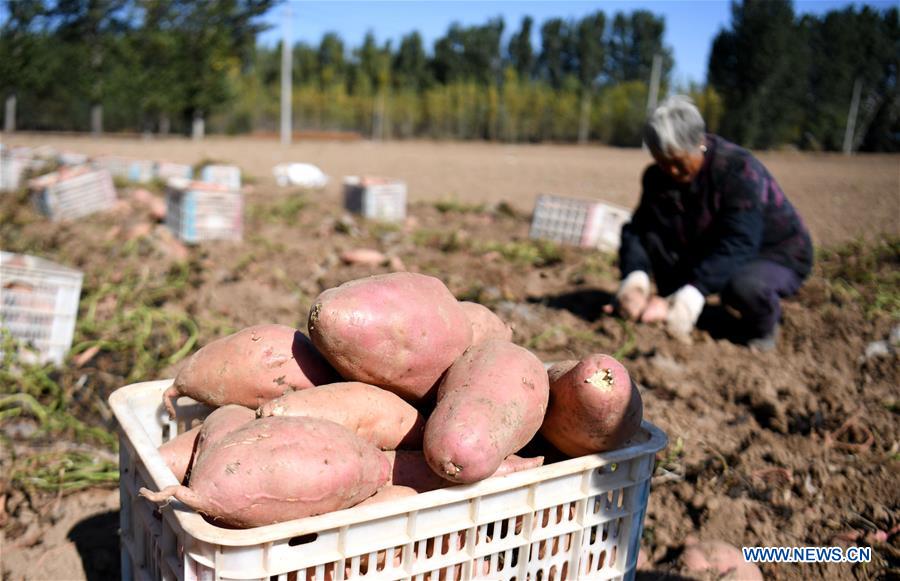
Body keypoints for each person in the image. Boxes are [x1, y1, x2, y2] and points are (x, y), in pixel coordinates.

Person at [606, 95, 813, 351]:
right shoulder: (657, 178)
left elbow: (741, 241)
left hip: (774, 253)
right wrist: (635, 279)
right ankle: (672, 306)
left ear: (700, 143)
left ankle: (762, 329)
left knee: (743, 287)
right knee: (658, 239)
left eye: (678, 162)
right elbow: (640, 230)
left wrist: (694, 291)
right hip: (712, 244)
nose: (672, 172)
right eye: (663, 163)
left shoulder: (736, 170)